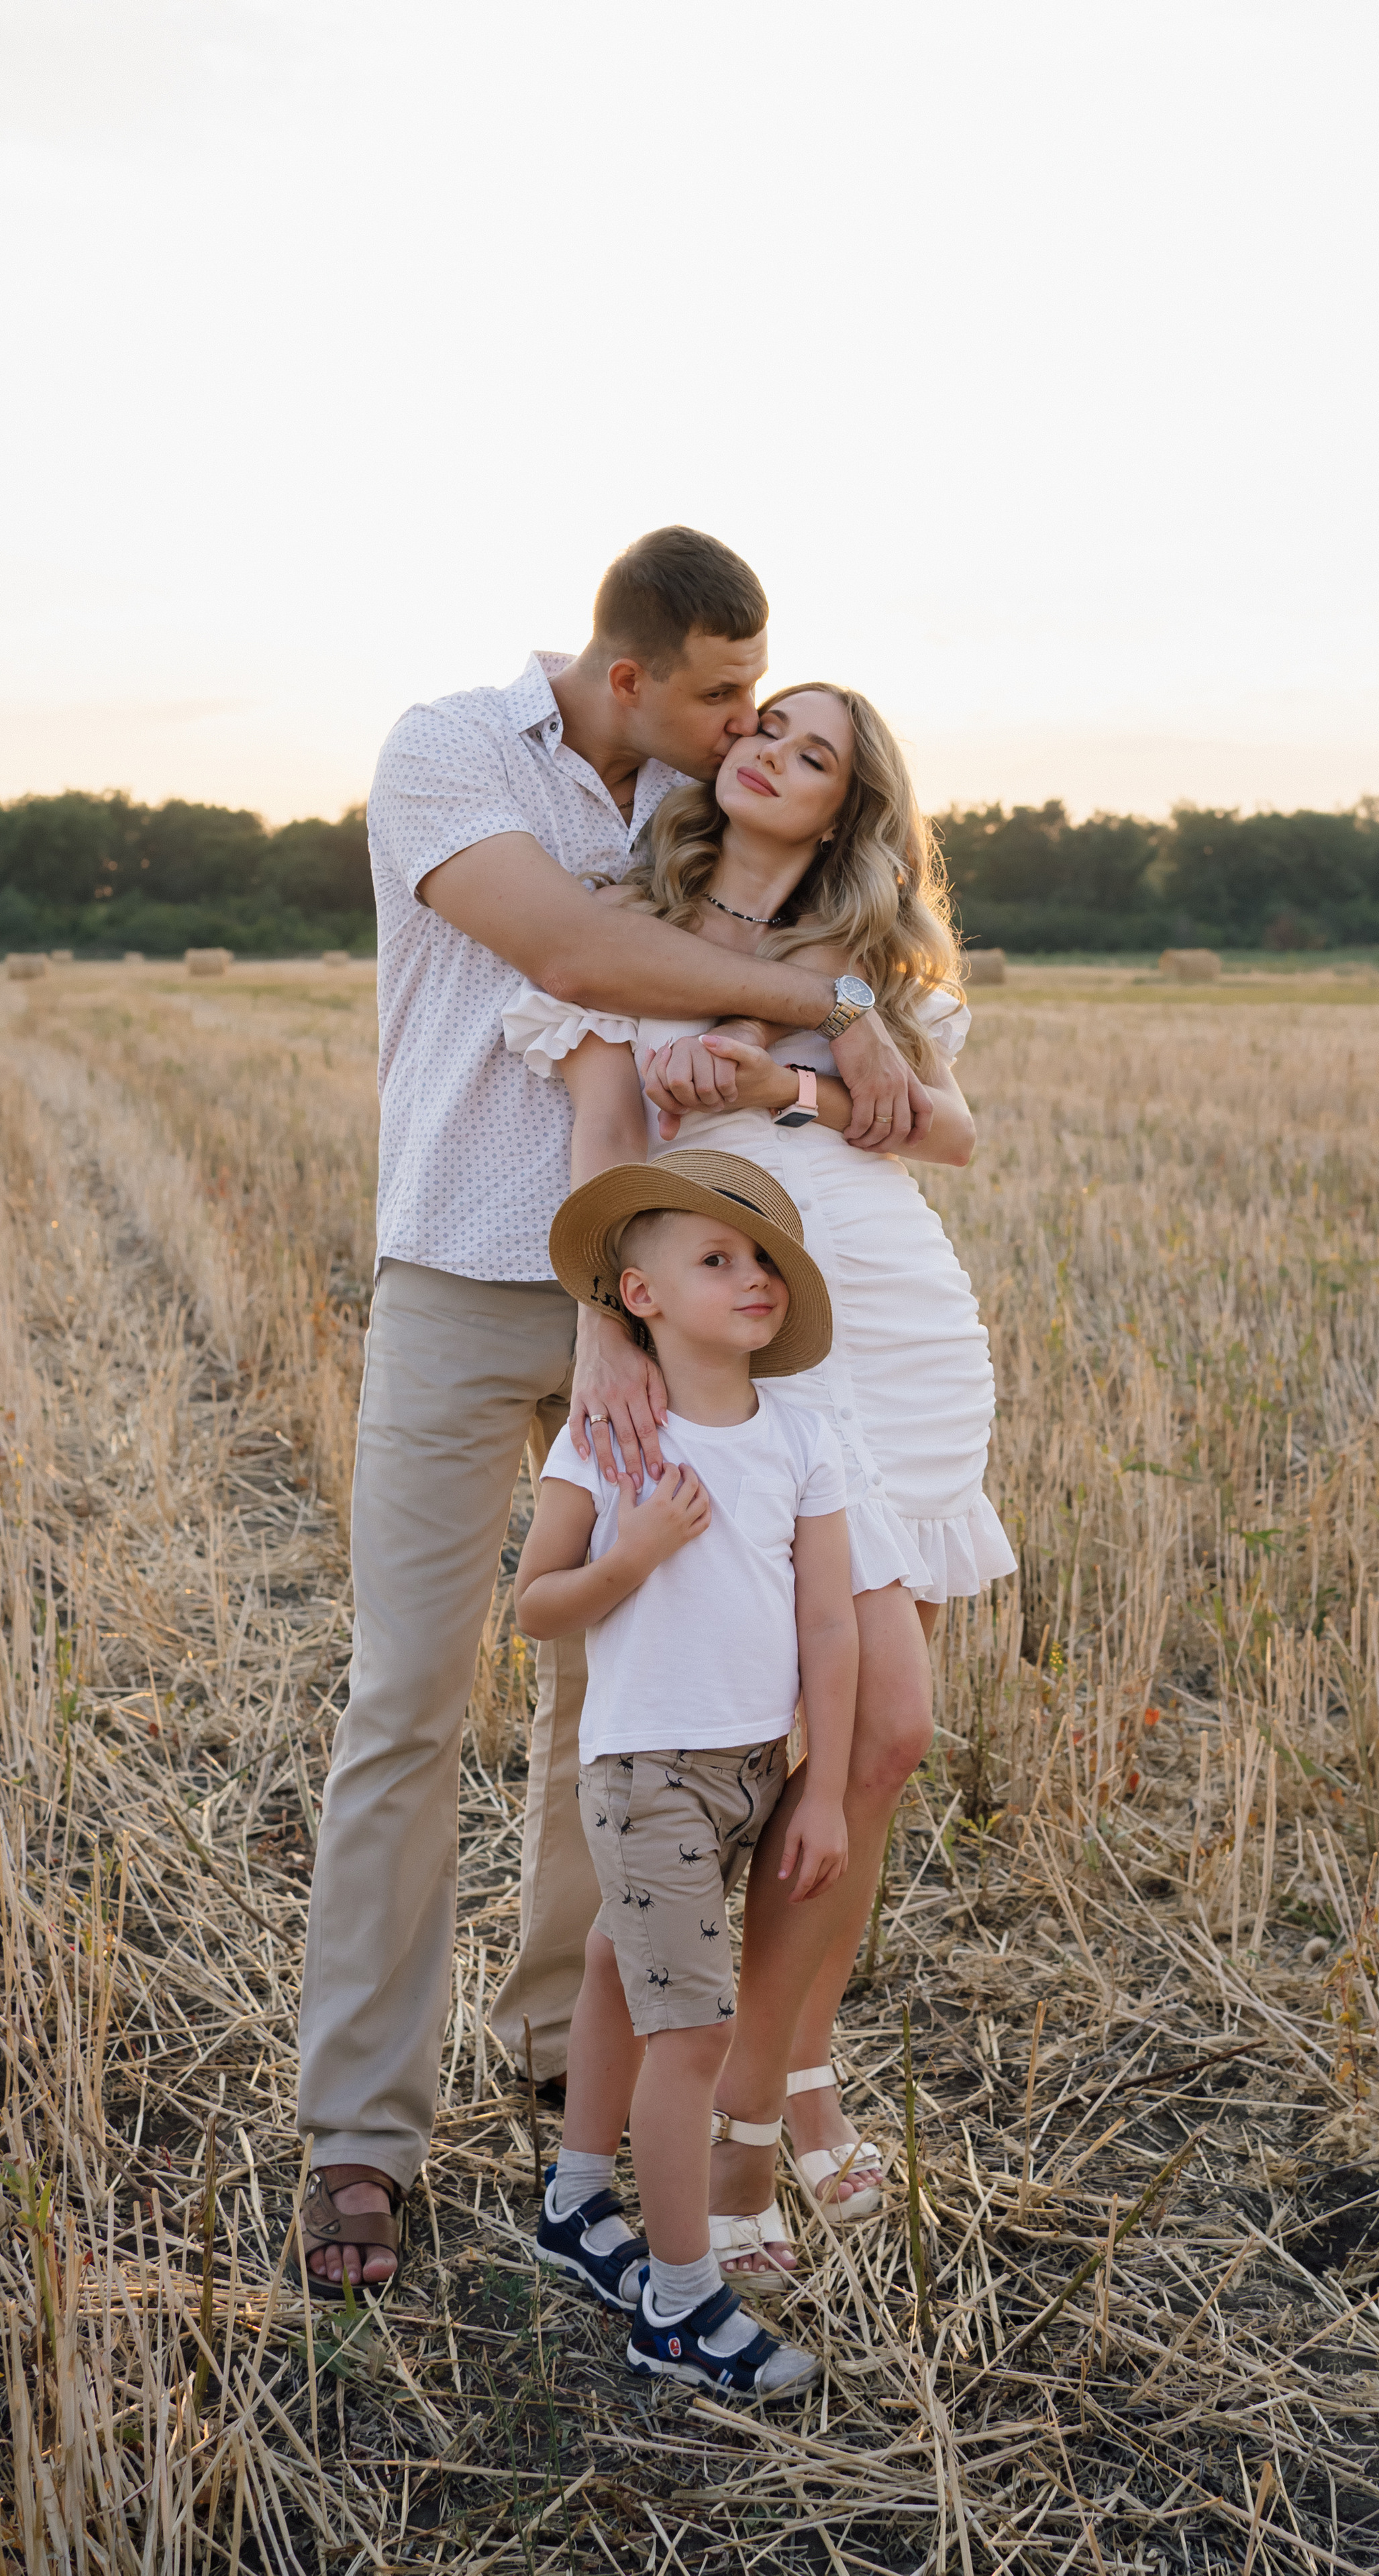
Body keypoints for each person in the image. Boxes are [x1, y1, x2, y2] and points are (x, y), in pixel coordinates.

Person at [295, 529, 931, 2295]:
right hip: (451, 1284)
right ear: (633, 673)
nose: (747, 724)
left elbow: (817, 973)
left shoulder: (699, 829)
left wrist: (849, 1025)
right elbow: (570, 953)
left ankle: (568, 2058)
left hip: (655, 1312)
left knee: (629, 1713)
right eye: (726, 691)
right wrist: (840, 1004)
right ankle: (361, 2130)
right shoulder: (451, 753)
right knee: (410, 1695)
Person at [501, 680, 1015, 2284]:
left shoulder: (856, 967)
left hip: (894, 1315)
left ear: (849, 807)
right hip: (753, 1348)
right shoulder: (623, 929)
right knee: (799, 1736)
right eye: (762, 729)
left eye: (813, 752)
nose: (768, 753)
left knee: (866, 1756)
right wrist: (612, 1327)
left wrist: (786, 1080)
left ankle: (794, 2084)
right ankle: (729, 2117)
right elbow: (600, 1141)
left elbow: (946, 1139)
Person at [515, 1147, 855, 2398]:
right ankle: (678, 2299)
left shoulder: (805, 1437)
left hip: (759, 1767)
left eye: (765, 1258)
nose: (752, 1277)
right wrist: (636, 1550)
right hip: (649, 1770)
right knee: (694, 2029)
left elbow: (830, 1624)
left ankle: (577, 2194)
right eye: (716, 1258)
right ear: (640, 1298)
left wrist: (820, 1787)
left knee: (619, 1962)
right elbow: (537, 1607)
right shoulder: (609, 1443)